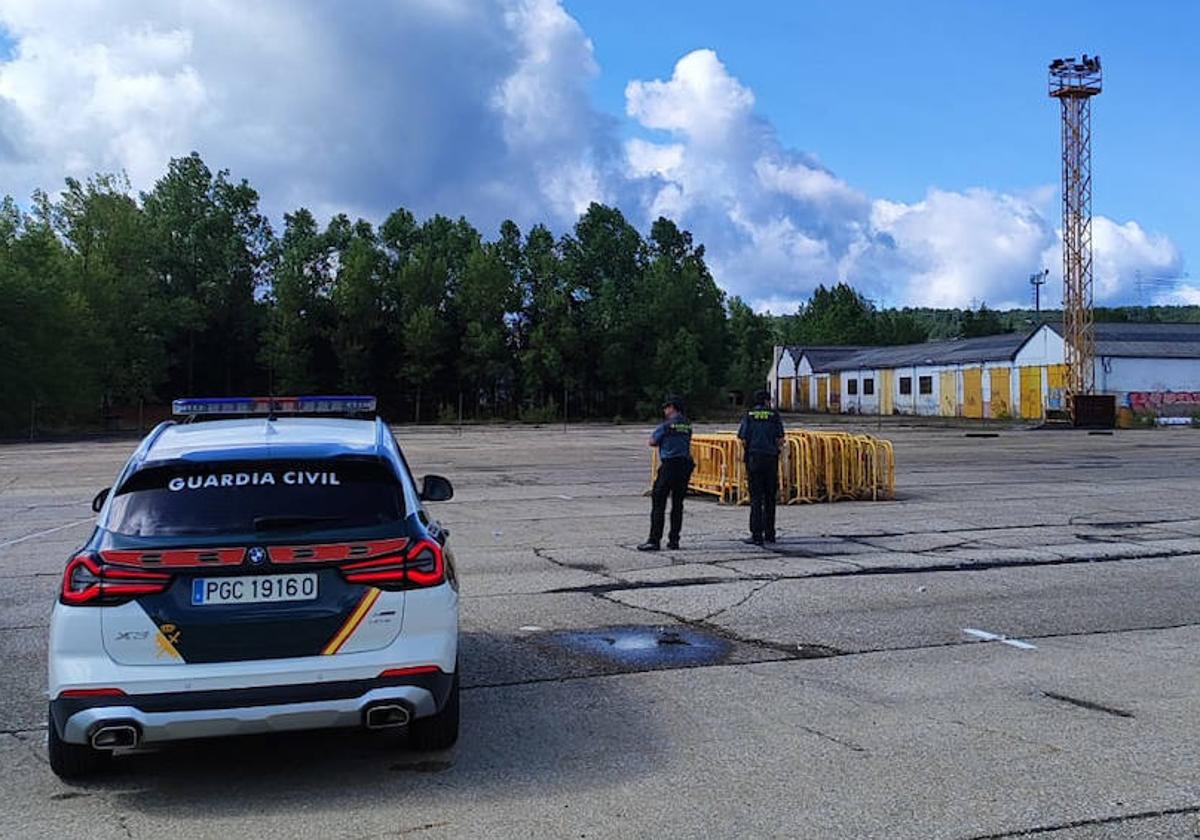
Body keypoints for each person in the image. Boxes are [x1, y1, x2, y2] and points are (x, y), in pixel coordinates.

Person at [639, 396, 693, 551]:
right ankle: (674, 540)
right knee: (678, 504)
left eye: (666, 407)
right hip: (684, 465)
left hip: (669, 465)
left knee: (659, 502)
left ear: (672, 408)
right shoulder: (687, 425)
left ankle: (654, 540)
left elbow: (652, 441)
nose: (664, 410)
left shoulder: (667, 425)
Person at [738, 389, 785, 545]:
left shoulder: (749, 416)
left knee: (756, 498)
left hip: (754, 459)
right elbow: (780, 439)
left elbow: (743, 438)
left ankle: (756, 534)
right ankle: (770, 533)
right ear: (766, 401)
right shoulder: (774, 416)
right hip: (770, 459)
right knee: (770, 497)